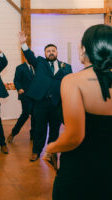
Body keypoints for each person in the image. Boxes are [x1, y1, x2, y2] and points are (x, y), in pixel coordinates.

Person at [44, 24, 112, 200]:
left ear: (83, 49)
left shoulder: (73, 81)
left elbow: (75, 136)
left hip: (81, 169)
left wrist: (51, 148)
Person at [18, 32, 72, 161]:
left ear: (57, 52)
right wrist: (23, 43)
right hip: (40, 103)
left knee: (54, 130)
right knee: (39, 130)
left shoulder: (66, 67)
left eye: (53, 50)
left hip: (56, 103)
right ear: (45, 53)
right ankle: (36, 151)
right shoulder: (40, 63)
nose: (51, 52)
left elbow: (69, 83)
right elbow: (30, 57)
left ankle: (51, 152)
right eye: (48, 51)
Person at [7, 61, 35, 143]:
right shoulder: (20, 67)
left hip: (36, 96)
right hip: (25, 95)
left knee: (35, 116)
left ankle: (33, 135)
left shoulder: (36, 67)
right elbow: (16, 80)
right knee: (25, 114)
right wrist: (19, 88)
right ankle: (13, 133)